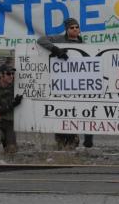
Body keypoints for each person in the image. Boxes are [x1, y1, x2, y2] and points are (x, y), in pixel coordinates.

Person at [37, 17, 94, 149]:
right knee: (61, 113)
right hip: (61, 85)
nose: (75, 29)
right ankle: (61, 142)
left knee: (83, 110)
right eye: (71, 27)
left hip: (79, 86)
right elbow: (41, 40)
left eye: (76, 27)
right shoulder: (59, 40)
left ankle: (85, 137)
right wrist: (56, 50)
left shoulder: (85, 45)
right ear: (67, 29)